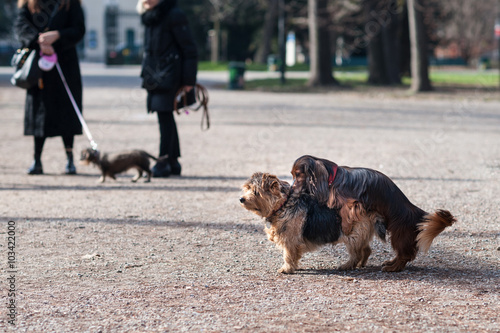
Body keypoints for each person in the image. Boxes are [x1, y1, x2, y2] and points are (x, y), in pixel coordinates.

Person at [14, 0, 85, 175]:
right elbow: (20, 27)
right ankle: (37, 159)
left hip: (65, 65)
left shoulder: (70, 3)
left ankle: (69, 159)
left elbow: (78, 29)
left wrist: (58, 36)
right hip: (39, 67)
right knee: (39, 111)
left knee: (67, 111)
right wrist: (39, 41)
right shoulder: (28, 3)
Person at [138, 0, 198, 177]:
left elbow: (189, 49)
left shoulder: (174, 15)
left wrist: (189, 80)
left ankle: (164, 160)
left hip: (170, 74)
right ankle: (172, 160)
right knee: (164, 115)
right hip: (153, 74)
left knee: (164, 115)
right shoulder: (150, 16)